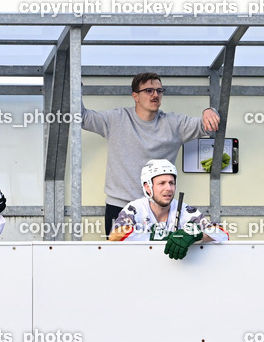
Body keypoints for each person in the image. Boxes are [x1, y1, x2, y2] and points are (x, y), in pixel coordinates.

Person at [82, 71, 220, 235]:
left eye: (159, 91)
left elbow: (207, 124)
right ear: (136, 96)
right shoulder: (116, 119)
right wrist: (76, 90)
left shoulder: (174, 124)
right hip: (120, 207)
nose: (155, 95)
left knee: (162, 258)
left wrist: (209, 110)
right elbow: (82, 118)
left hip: (159, 209)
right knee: (120, 259)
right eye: (149, 91)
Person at [109, 159, 227, 260]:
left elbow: (222, 233)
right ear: (148, 187)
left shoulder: (185, 210)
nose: (169, 188)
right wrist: (162, 236)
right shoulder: (135, 208)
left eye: (171, 183)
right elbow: (115, 235)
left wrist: (197, 235)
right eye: (162, 183)